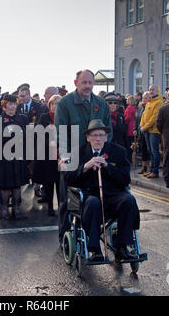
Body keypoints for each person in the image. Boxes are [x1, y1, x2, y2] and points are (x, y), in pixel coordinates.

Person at [65, 119, 140, 261]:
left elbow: (125, 179)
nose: (98, 138)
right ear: (88, 137)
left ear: (106, 137)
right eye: (94, 135)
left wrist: (107, 166)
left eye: (101, 135)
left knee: (129, 200)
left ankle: (122, 246)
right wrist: (86, 166)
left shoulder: (119, 151)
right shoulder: (77, 152)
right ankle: (94, 249)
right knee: (93, 203)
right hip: (89, 196)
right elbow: (68, 178)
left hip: (113, 196)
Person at [55, 69, 112, 246]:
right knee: (67, 199)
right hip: (72, 156)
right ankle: (64, 235)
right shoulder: (65, 103)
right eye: (84, 83)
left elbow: (108, 131)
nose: (87, 86)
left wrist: (102, 154)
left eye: (90, 83)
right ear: (76, 83)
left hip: (95, 157)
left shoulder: (101, 104)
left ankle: (91, 234)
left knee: (94, 195)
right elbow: (61, 133)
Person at [0, 94, 29, 220]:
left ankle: (16, 208)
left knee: (17, 184)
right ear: (4, 106)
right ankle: (4, 209)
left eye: (14, 104)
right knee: (5, 185)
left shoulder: (23, 119)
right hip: (4, 157)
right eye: (10, 104)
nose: (12, 106)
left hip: (19, 156)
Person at [33, 94, 61, 216]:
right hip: (47, 153)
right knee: (49, 182)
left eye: (57, 104)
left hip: (61, 154)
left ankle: (61, 206)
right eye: (53, 104)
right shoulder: (44, 117)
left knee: (60, 183)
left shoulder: (64, 117)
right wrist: (50, 143)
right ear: (49, 105)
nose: (55, 106)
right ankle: (50, 205)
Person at [139, 84, 164, 178]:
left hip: (153, 131)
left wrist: (145, 127)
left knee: (154, 151)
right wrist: (141, 125)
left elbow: (155, 117)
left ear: (157, 90)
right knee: (150, 151)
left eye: (153, 89)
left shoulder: (159, 102)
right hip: (147, 130)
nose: (151, 91)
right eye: (150, 89)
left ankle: (155, 171)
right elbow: (144, 115)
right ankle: (151, 169)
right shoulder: (149, 101)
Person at [133, 92, 151, 174]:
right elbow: (136, 119)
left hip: (147, 131)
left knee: (149, 150)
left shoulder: (150, 107)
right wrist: (135, 129)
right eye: (143, 98)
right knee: (143, 150)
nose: (144, 99)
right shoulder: (140, 108)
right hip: (140, 131)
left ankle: (150, 167)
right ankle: (144, 167)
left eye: (146, 98)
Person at [124, 95, 137, 161]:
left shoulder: (129, 108)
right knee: (132, 142)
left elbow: (127, 118)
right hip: (133, 125)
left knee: (129, 144)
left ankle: (129, 158)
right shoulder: (134, 108)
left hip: (129, 126)